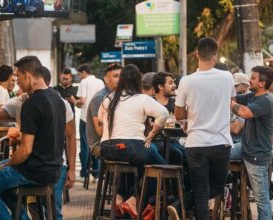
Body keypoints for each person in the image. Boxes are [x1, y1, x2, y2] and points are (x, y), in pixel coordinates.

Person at [0, 56, 66, 219]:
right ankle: (22, 217)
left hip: (32, 171)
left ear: (27, 75)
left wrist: (8, 165)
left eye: (18, 78)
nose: (17, 83)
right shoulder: (57, 99)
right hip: (53, 169)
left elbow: (25, 150)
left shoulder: (31, 105)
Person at [175, 37, 235, 220]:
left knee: (201, 191)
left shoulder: (187, 81)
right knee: (217, 186)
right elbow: (231, 103)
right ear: (215, 56)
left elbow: (178, 115)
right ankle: (177, 206)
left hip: (196, 143)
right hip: (221, 142)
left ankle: (178, 206)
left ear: (196, 54)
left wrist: (189, 116)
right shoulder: (227, 77)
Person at [98, 64, 168, 218]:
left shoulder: (109, 98)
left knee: (136, 165)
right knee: (162, 167)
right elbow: (163, 113)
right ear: (138, 81)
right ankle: (134, 200)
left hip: (107, 148)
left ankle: (119, 197)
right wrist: (152, 134)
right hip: (131, 147)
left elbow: (100, 119)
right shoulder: (141, 98)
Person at [230, 66, 273, 219]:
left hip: (257, 155)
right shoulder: (252, 97)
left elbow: (243, 112)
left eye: (253, 78)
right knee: (219, 154)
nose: (249, 80)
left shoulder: (266, 101)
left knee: (262, 201)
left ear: (262, 83)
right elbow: (235, 98)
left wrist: (230, 103)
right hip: (245, 148)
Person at [75, 64, 104, 178]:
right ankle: (97, 170)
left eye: (79, 74)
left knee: (85, 145)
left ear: (83, 72)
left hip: (85, 118)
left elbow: (82, 101)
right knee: (97, 143)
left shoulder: (84, 82)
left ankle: (85, 171)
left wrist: (74, 102)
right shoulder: (100, 82)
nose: (79, 76)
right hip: (98, 118)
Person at [86, 64, 122, 158]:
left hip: (116, 140)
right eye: (116, 76)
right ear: (106, 79)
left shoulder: (119, 96)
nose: (120, 79)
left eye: (122, 76)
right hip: (100, 144)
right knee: (133, 150)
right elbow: (100, 131)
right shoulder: (100, 97)